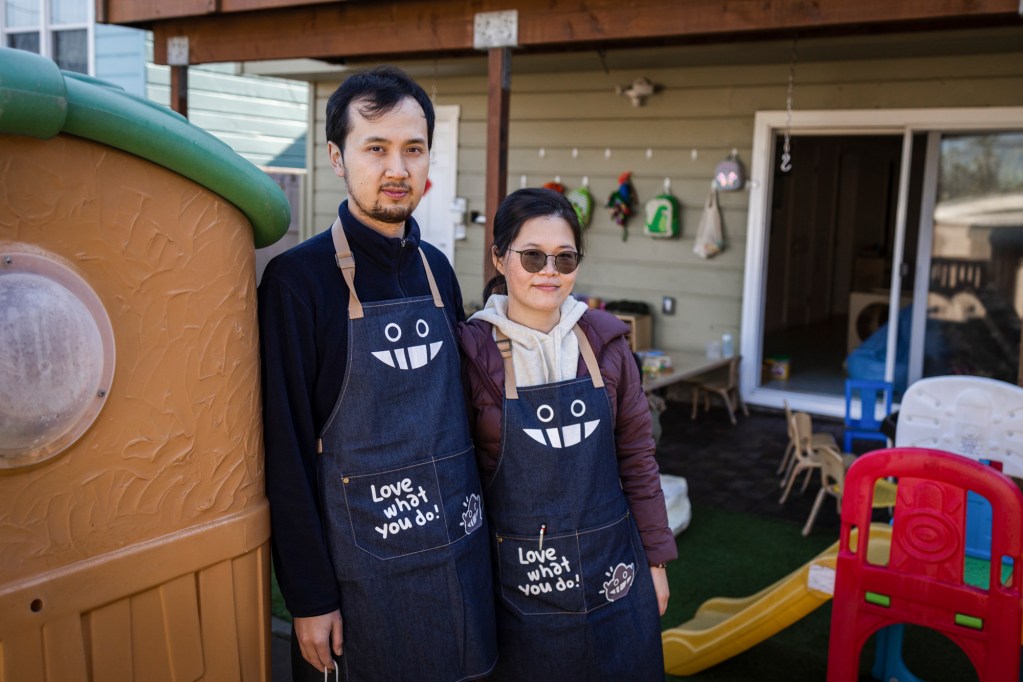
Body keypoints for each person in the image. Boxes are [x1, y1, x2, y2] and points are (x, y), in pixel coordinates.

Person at [258, 66, 496, 681]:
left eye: (413, 149)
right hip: (359, 582)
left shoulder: (438, 271)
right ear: (337, 158)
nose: (397, 168)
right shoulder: (297, 283)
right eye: (376, 148)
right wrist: (309, 597)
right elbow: (284, 453)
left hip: (459, 559)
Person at [458, 187, 676, 680]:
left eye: (565, 257)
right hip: (517, 584)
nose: (549, 271)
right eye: (532, 256)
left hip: (613, 572)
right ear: (499, 257)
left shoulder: (607, 344)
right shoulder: (470, 353)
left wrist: (657, 563)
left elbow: (637, 458)